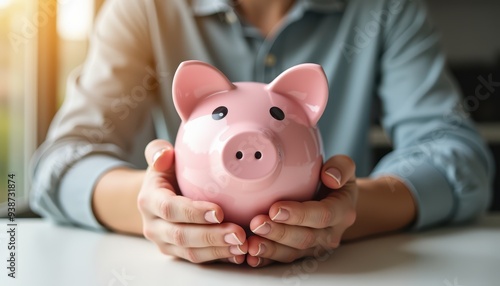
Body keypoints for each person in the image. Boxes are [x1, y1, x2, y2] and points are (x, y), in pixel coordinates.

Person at [30, 0, 494, 267]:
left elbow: (458, 156)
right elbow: (58, 163)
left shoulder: (385, 8)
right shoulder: (144, 7)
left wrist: (349, 212)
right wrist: (153, 206)